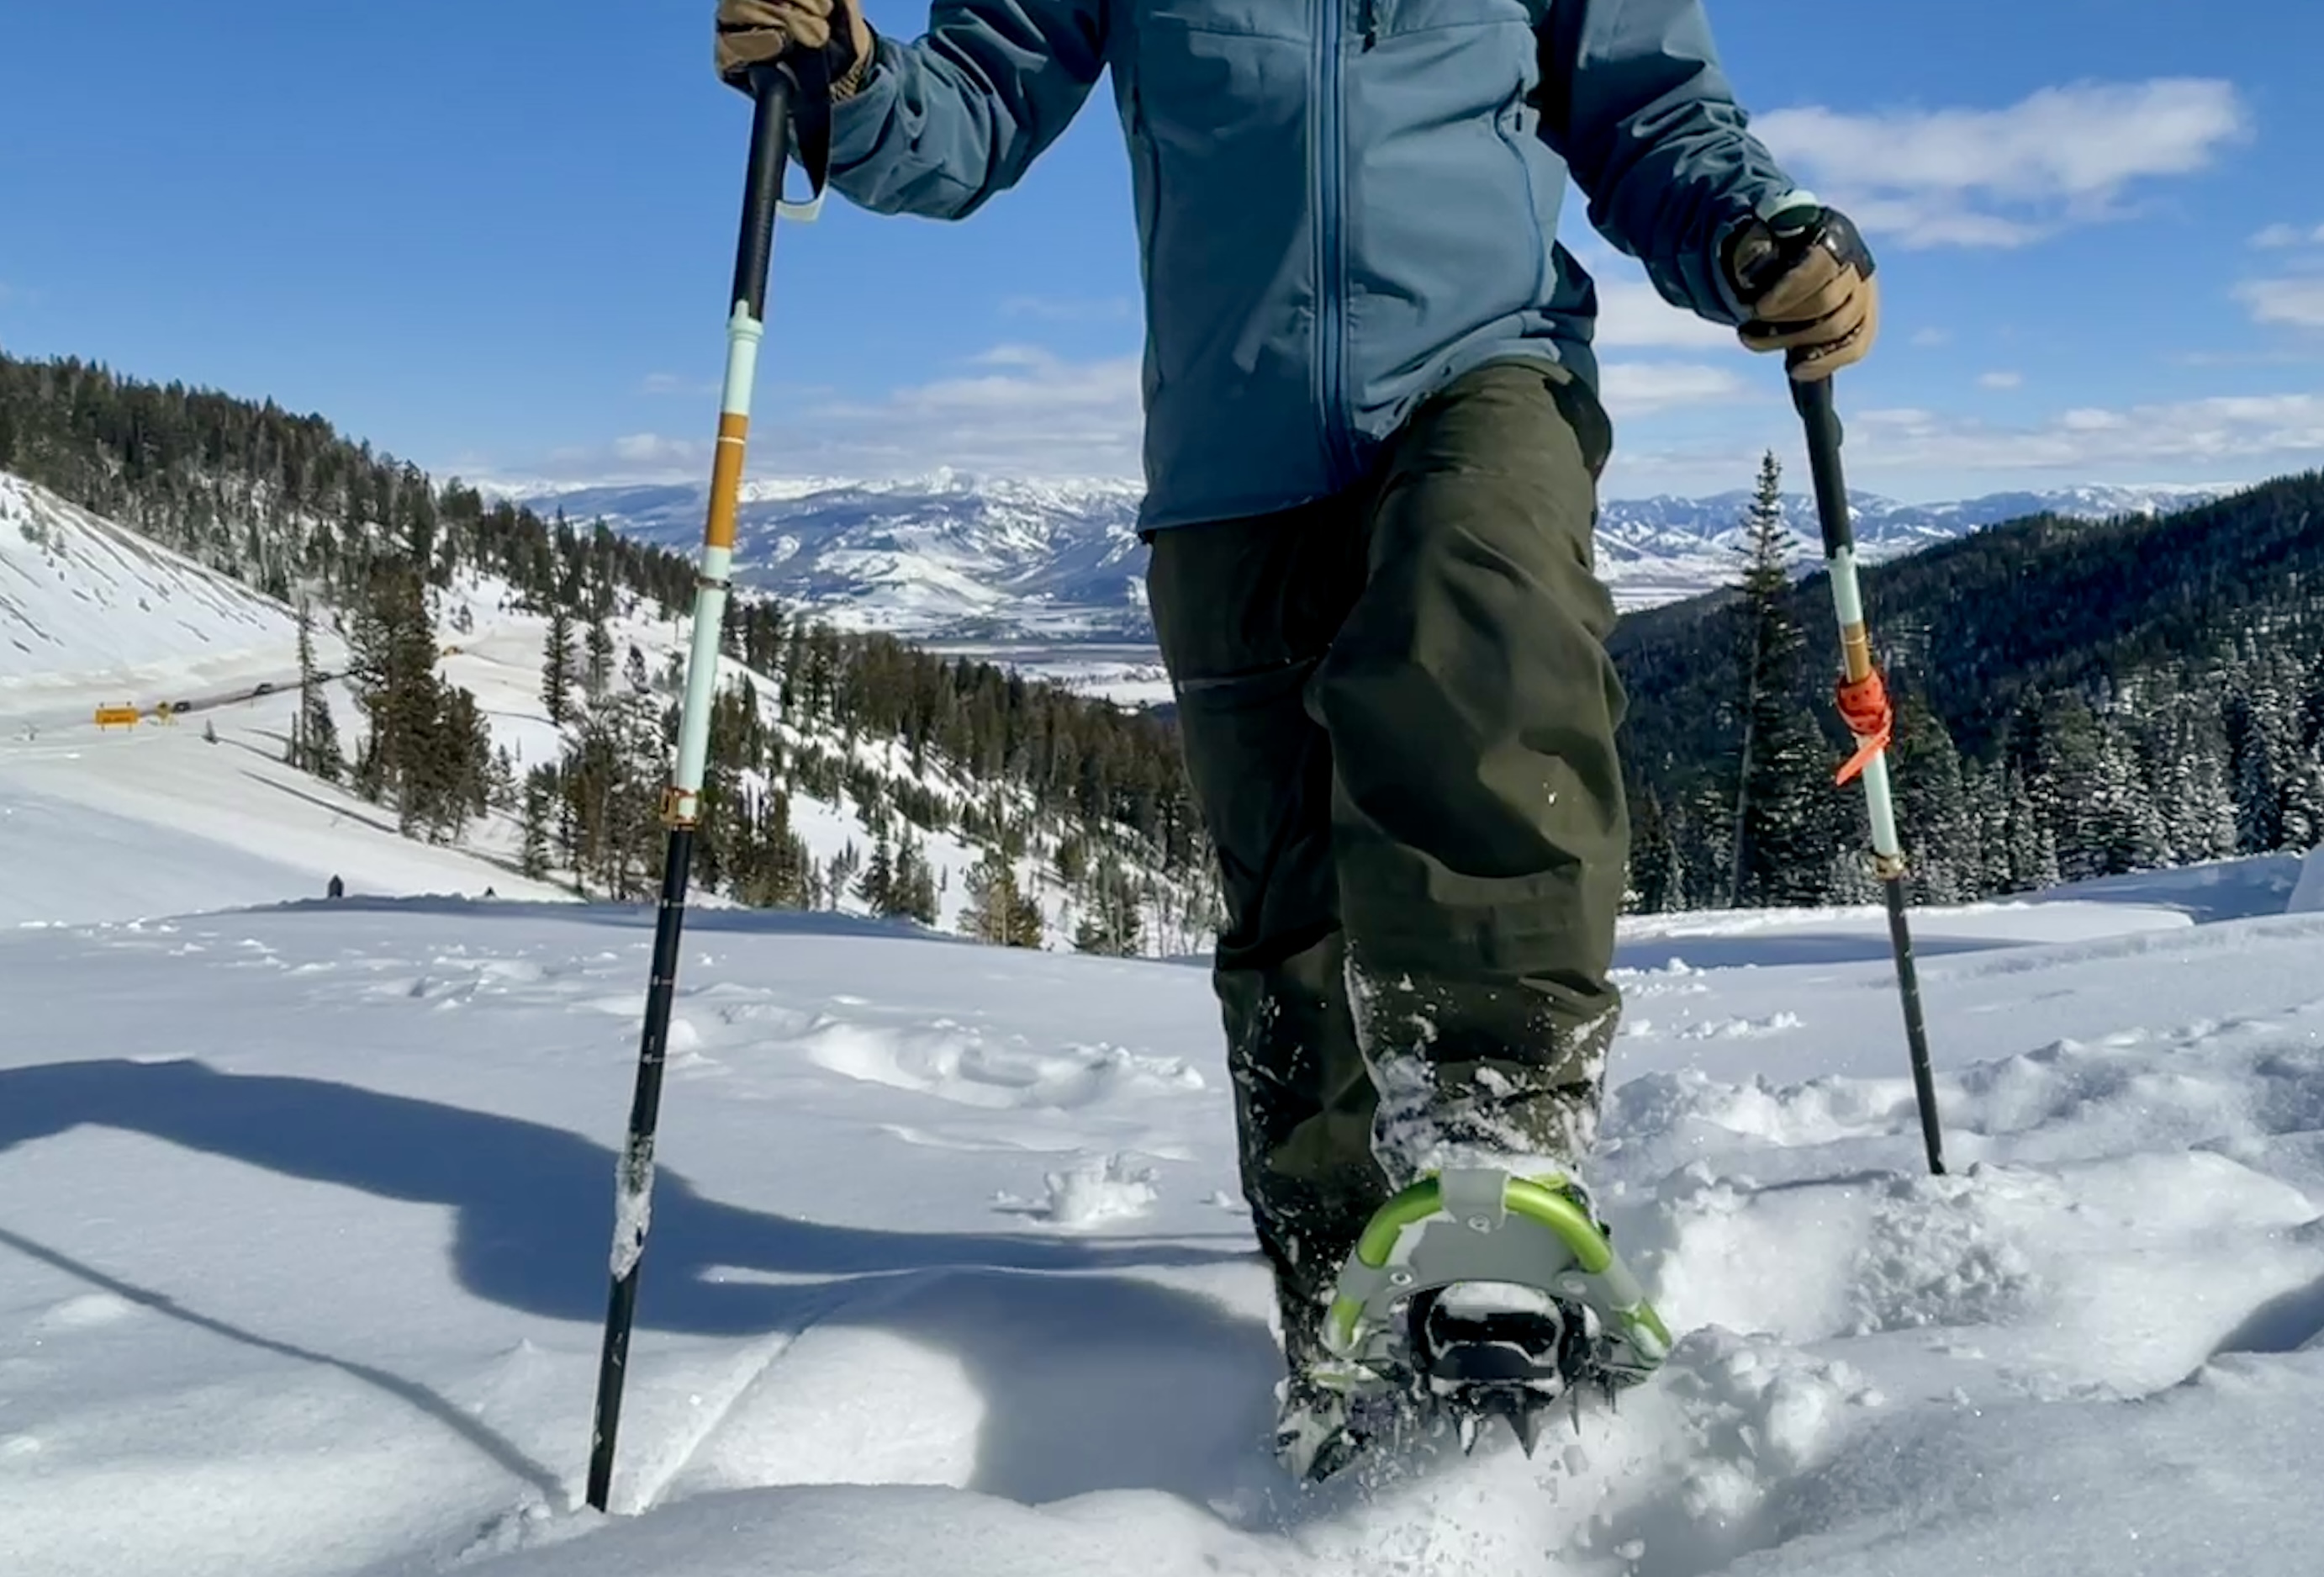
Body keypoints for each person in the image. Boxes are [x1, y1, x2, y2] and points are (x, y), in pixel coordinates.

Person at [713, 0, 1878, 1468]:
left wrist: (1756, 234)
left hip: (1482, 373)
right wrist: (847, 80)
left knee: (1479, 602)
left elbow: (1651, 112)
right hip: (1229, 464)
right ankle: (1348, 1330)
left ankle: (1492, 1126)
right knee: (1291, 924)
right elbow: (967, 120)